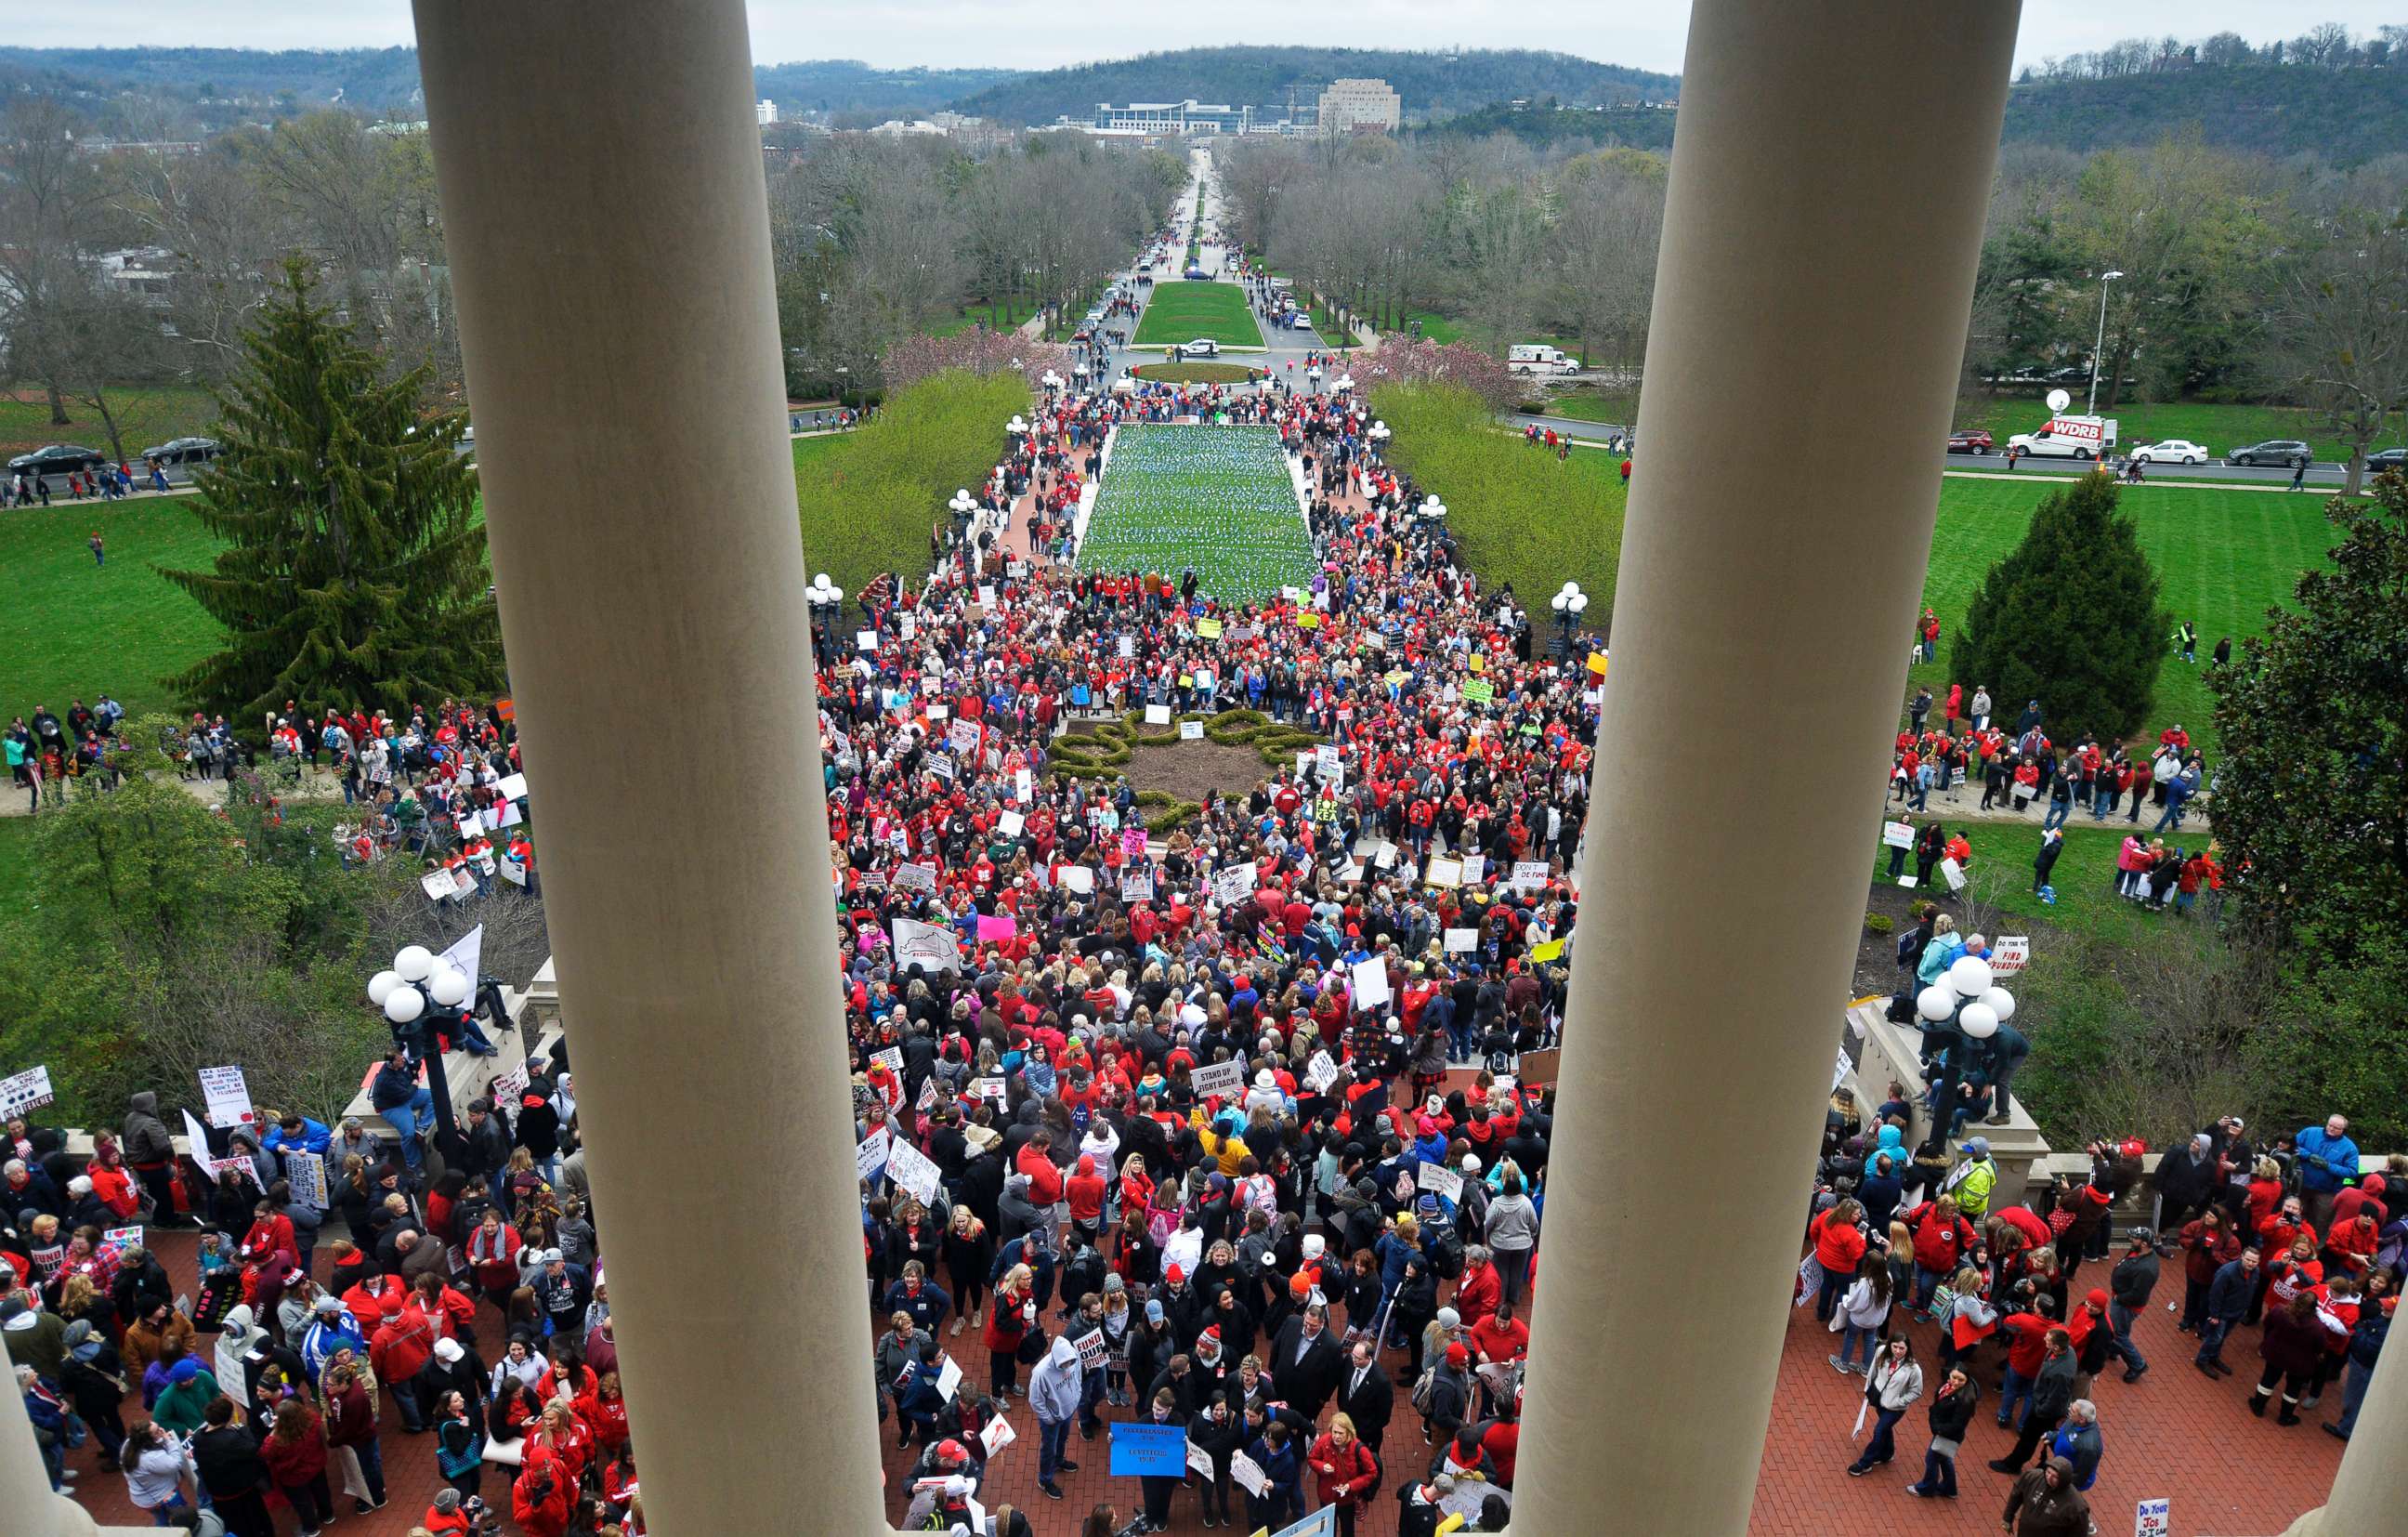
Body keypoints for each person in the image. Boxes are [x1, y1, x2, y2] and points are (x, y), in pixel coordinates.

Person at [1848, 1334, 1922, 1477]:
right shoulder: (1882, 1351)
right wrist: (1868, 1390)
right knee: (1885, 1428)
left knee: (1879, 1431)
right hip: (1878, 1400)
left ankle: (1865, 1463)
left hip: (1895, 1408)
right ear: (1890, 1345)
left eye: (1902, 1348)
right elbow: (1873, 1371)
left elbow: (1916, 1391)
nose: (1898, 1351)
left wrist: (1900, 1402)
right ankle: (1887, 1453)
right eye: (1895, 1346)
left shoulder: (1914, 1369)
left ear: (1908, 1349)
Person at [1905, 1362, 1977, 1499]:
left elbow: (1957, 1424)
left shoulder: (1965, 1400)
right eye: (1954, 1377)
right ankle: (1949, 1488)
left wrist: (1939, 1430)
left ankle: (1926, 1488)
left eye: (1961, 1380)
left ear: (1966, 1380)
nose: (1956, 1382)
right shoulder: (1948, 1387)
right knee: (1944, 1458)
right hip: (1945, 1432)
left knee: (1932, 1459)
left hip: (1947, 1434)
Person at [1308, 1411, 1381, 1537]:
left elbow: (1372, 1472)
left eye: (1340, 1433)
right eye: (1334, 1432)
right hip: (1326, 1496)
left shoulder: (1359, 1450)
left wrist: (1351, 1486)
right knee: (1327, 1530)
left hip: (1346, 1501)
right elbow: (1311, 1459)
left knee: (1347, 1530)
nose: (1336, 1436)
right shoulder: (1324, 1441)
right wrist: (1322, 1467)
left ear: (1349, 1432)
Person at [1029, 1331, 1083, 1500]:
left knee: (1063, 1438)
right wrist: (1048, 1418)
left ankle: (1059, 1461)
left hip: (1068, 1412)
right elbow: (1035, 1401)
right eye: (1064, 1363)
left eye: (1070, 1362)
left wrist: (1077, 1393)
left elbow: (1078, 1373)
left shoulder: (1073, 1356)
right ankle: (1045, 1480)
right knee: (1048, 1449)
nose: (1068, 1366)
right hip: (1053, 1419)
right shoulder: (1041, 1373)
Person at [2002, 1455, 2091, 1536]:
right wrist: (2007, 1518)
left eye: (2055, 1477)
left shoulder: (2077, 1506)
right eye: (2048, 1472)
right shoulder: (2032, 1477)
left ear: (2063, 1479)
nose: (2049, 1477)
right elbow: (2016, 1495)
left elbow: (2079, 1533)